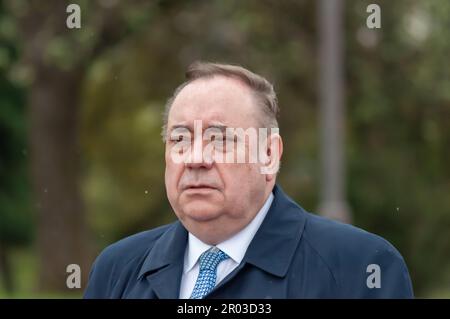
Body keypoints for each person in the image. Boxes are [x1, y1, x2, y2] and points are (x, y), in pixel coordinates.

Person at [84, 61, 414, 298]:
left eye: (220, 139)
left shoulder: (361, 268)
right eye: (180, 139)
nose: (196, 158)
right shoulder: (117, 269)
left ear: (269, 154)